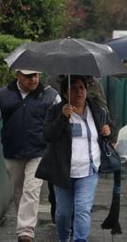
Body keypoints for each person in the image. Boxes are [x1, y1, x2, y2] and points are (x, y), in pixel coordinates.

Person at [0, 69, 60, 242]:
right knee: (18, 191)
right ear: (17, 75)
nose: (33, 79)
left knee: (31, 189)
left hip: (39, 150)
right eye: (28, 76)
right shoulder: (4, 95)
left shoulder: (51, 95)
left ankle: (26, 232)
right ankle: (23, 224)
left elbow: (61, 119)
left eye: (36, 75)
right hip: (12, 150)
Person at [35, 75, 115, 242]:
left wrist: (109, 131)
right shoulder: (56, 111)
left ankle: (80, 239)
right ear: (65, 93)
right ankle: (63, 239)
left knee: (82, 209)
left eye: (82, 88)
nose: (79, 92)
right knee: (63, 214)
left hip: (89, 170)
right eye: (74, 88)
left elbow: (109, 129)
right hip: (63, 172)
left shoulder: (97, 110)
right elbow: (48, 136)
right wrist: (63, 118)